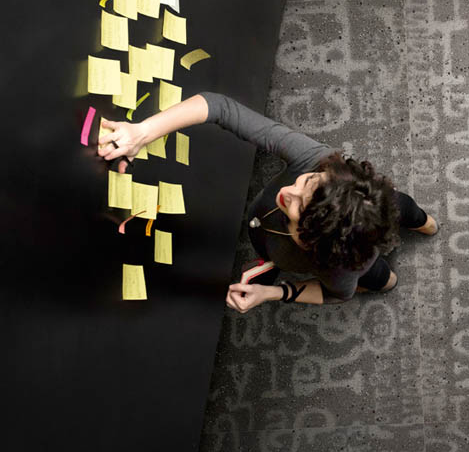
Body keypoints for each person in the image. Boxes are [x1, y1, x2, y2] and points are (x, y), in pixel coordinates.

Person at [97, 92, 437, 313]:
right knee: (396, 214)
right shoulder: (317, 160)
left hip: (356, 259)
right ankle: (418, 226)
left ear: (312, 245)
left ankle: (416, 237)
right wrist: (143, 132)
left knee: (381, 274)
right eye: (307, 183)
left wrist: (275, 293)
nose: (287, 193)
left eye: (296, 212)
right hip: (360, 218)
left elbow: (336, 294)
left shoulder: (339, 267)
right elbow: (221, 107)